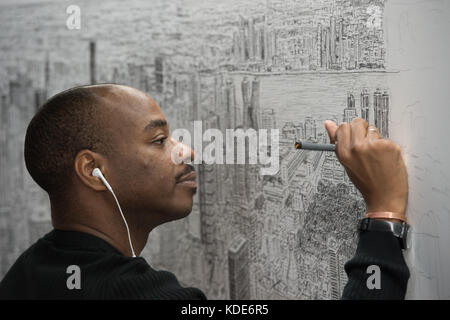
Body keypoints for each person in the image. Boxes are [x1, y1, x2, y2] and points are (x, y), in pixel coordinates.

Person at [0, 84, 410, 299]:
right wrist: (384, 212)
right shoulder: (136, 293)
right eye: (160, 141)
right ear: (92, 170)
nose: (187, 151)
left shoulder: (28, 271)